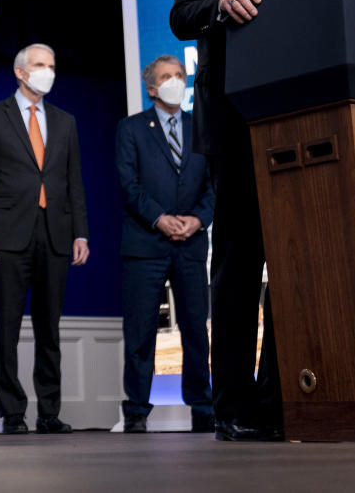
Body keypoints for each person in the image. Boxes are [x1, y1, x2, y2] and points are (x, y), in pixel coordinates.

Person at [169, 0, 312, 442]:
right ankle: (231, 406)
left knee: (296, 268)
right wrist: (220, 2)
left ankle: (283, 402)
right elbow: (182, 14)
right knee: (238, 267)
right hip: (239, 124)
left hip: (304, 128)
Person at [0, 44, 90, 435]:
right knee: (8, 327)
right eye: (40, 65)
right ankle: (13, 413)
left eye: (51, 65)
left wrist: (81, 232)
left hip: (55, 234)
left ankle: (49, 412)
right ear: (21, 72)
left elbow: (74, 184)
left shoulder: (65, 121)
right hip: (6, 236)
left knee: (49, 329)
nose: (47, 72)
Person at [115, 55, 214, 434]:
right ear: (151, 88)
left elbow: (212, 185)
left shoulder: (201, 128)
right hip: (145, 245)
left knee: (194, 328)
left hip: (190, 245)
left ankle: (202, 407)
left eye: (179, 75)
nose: (175, 80)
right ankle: (137, 410)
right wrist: (160, 218)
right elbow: (129, 185)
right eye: (166, 77)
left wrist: (198, 219)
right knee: (140, 332)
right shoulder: (131, 129)